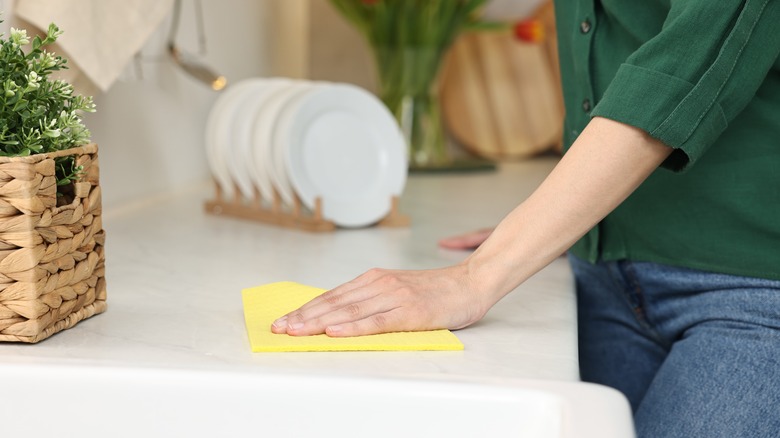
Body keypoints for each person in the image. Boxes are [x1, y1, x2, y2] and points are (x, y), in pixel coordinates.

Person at [272, 1, 780, 436]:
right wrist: (546, 221)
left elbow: (684, 70)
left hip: (753, 292)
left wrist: (478, 276)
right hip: (599, 268)